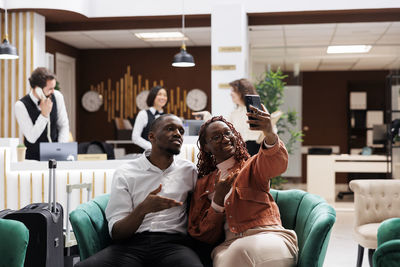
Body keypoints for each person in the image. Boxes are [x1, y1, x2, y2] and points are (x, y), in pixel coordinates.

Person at [76, 114, 203, 267]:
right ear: (151, 136)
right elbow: (117, 234)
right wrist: (143, 209)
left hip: (173, 245)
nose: (178, 134)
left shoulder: (189, 171)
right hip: (132, 245)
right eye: (170, 129)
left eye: (181, 131)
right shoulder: (126, 172)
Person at [188, 105, 298, 267]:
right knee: (231, 254)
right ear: (206, 147)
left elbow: (277, 164)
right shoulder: (204, 184)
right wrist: (217, 202)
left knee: (240, 251)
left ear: (235, 136)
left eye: (227, 133)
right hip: (229, 245)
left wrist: (269, 133)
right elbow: (201, 233)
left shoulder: (252, 166)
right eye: (216, 137)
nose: (225, 139)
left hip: (269, 238)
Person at [15, 67, 70, 160]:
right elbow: (31, 137)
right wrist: (44, 115)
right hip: (33, 159)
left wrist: (61, 148)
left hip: (57, 157)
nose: (53, 91)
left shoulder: (57, 96)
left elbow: (63, 125)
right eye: (50, 89)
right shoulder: (20, 105)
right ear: (37, 89)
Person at [131, 85, 168, 150]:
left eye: (165, 95)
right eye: (159, 94)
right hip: (146, 155)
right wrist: (152, 147)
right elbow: (135, 137)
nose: (163, 97)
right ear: (153, 96)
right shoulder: (143, 114)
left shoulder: (166, 116)